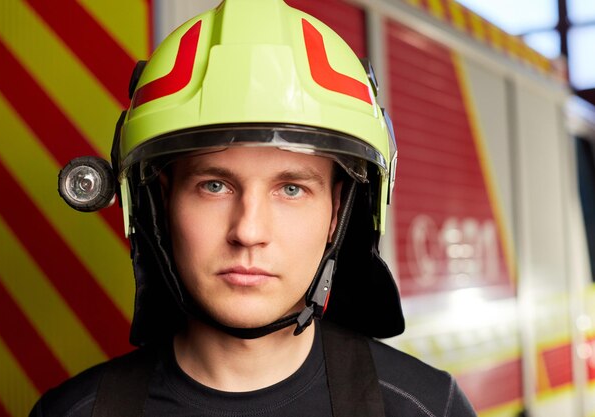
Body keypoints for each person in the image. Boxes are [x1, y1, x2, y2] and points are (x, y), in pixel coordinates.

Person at [34, 0, 477, 415]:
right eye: (213, 185)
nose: (248, 231)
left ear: (337, 213)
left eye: (290, 190)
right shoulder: (73, 412)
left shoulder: (427, 407)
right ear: (159, 203)